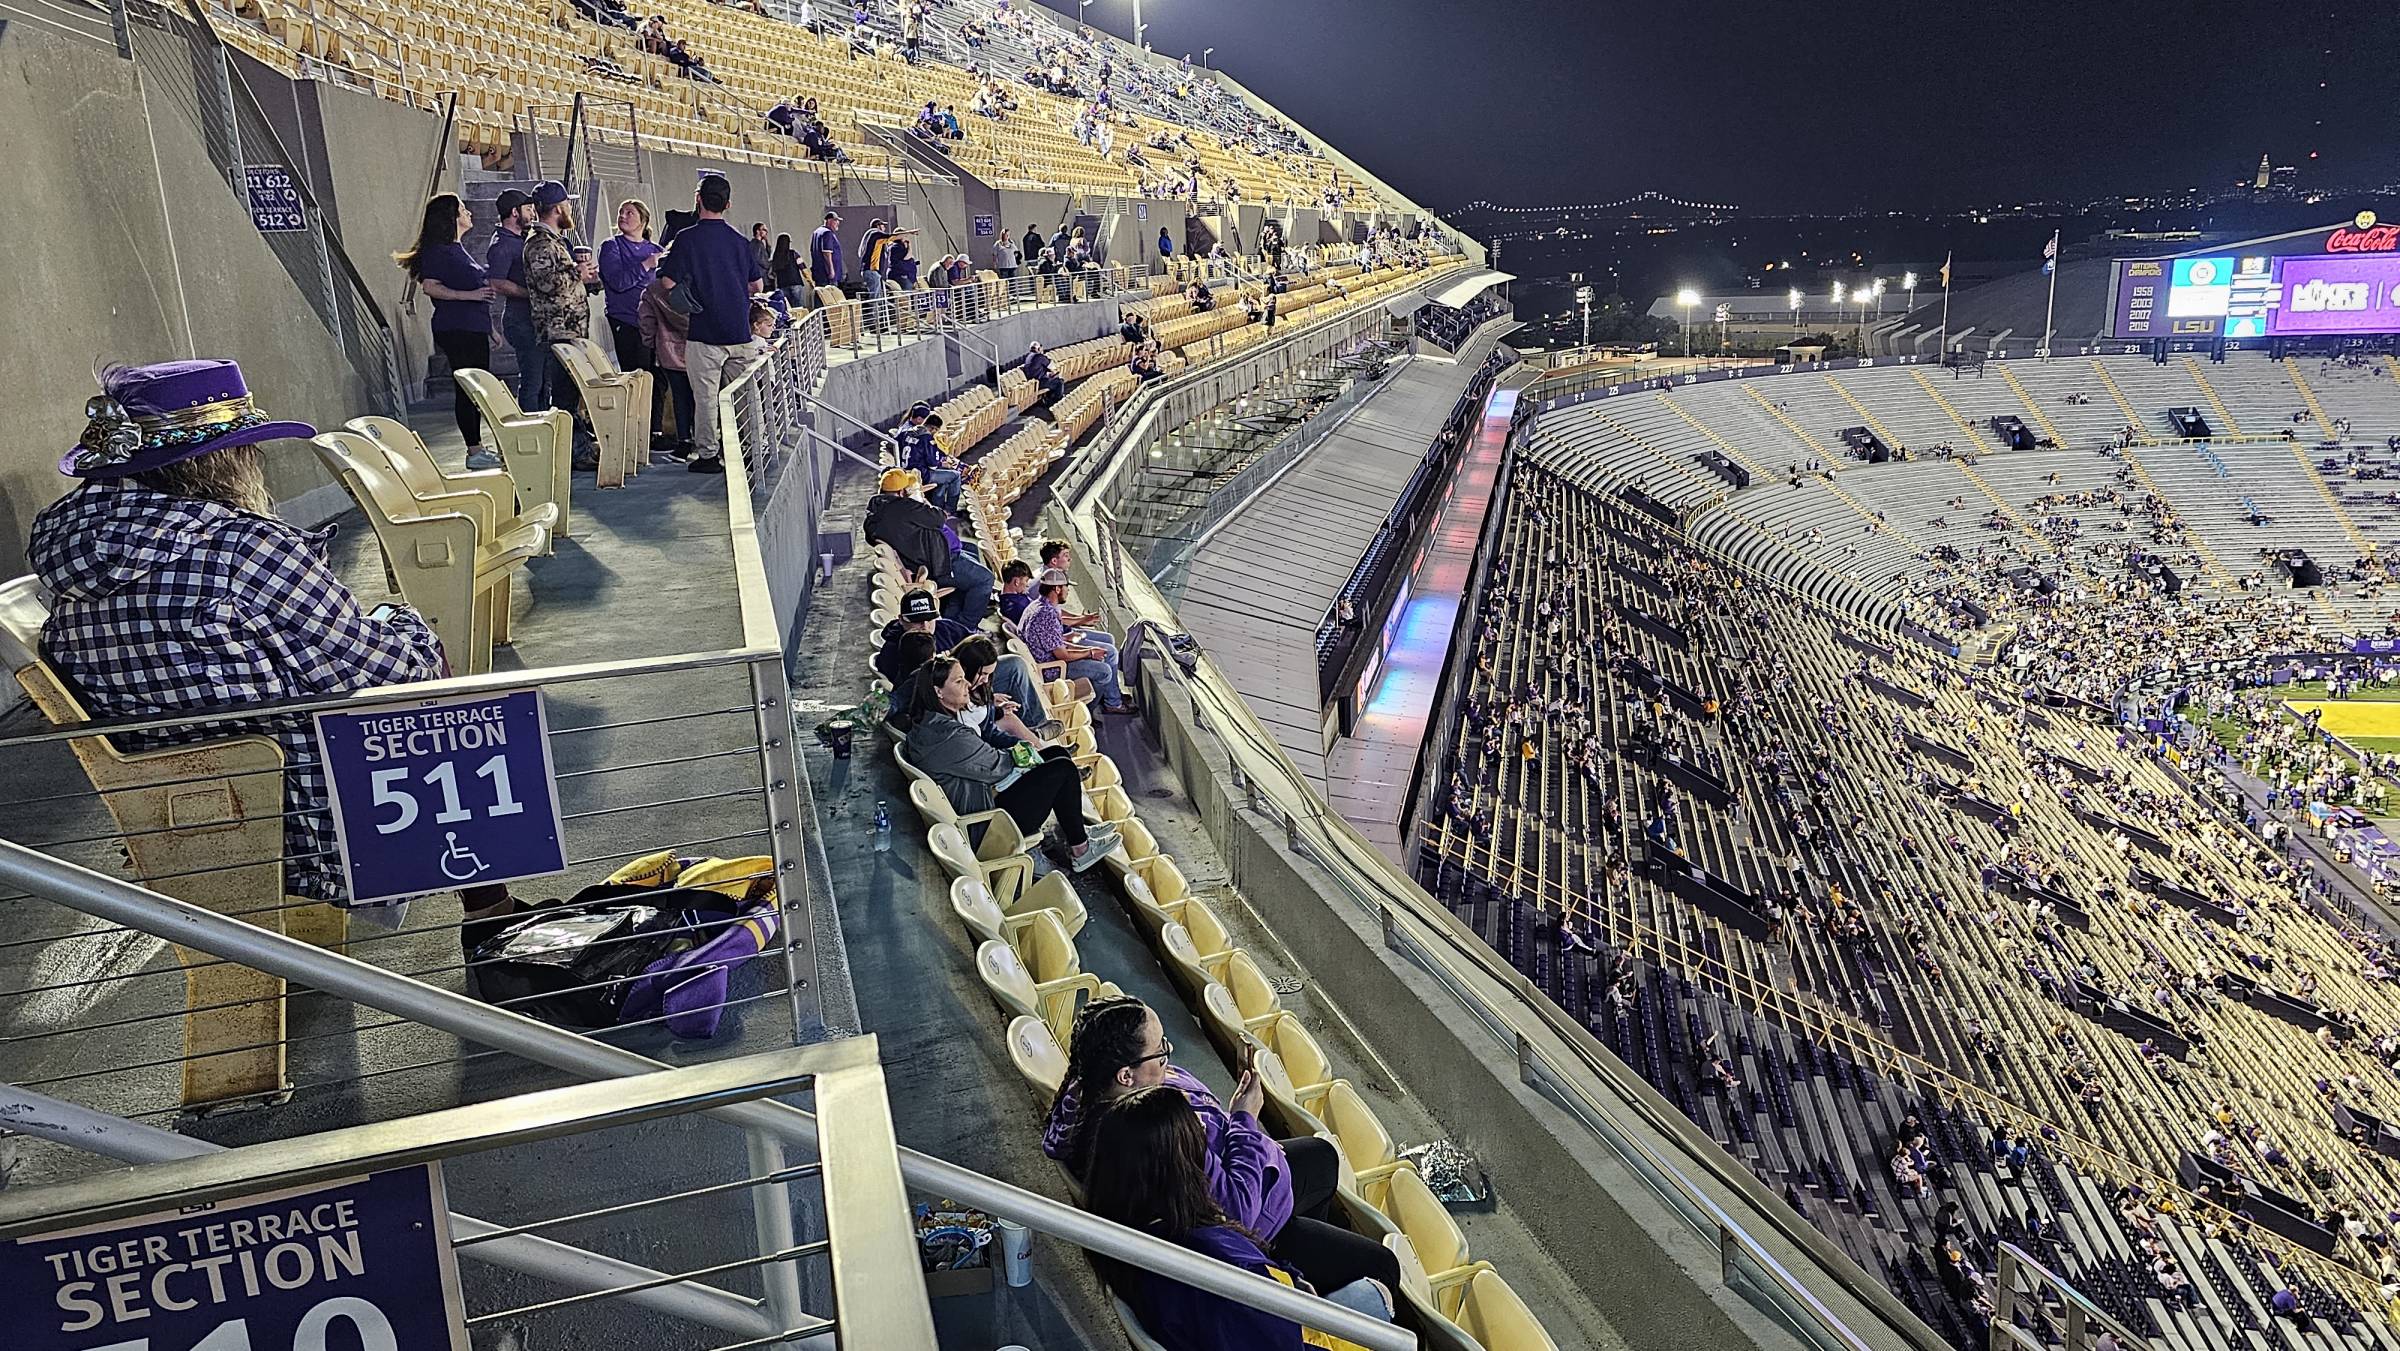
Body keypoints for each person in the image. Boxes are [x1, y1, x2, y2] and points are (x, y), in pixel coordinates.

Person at [30, 358, 447, 906]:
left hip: (173, 810)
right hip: (301, 816)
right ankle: (491, 912)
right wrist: (409, 627)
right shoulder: (244, 546)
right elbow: (379, 669)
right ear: (222, 460)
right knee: (442, 694)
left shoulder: (72, 551)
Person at [1061, 1009, 1399, 1346]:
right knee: (1380, 1277)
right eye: (1159, 1053)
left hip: (1250, 1285)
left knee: (1320, 1158)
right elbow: (1283, 1336)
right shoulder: (1217, 1254)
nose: (1168, 1057)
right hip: (1274, 1306)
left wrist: (1290, 1280)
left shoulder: (1116, 1142)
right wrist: (1243, 1121)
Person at [902, 656, 1120, 870]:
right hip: (989, 825)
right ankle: (1081, 850)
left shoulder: (931, 723)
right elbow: (998, 766)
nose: (968, 685)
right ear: (938, 691)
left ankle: (1075, 831)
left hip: (986, 799)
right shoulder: (948, 737)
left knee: (1054, 753)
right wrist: (1021, 752)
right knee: (1062, 769)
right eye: (958, 681)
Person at [657, 174, 763, 475]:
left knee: (705, 400)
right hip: (739, 332)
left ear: (698, 199)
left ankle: (708, 456)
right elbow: (756, 284)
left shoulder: (687, 239)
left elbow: (667, 281)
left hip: (703, 333)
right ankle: (754, 449)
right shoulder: (741, 242)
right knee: (745, 395)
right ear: (728, 204)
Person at [392, 192, 498, 468]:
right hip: (457, 328)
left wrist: (489, 328)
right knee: (468, 389)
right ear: (450, 218)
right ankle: (474, 451)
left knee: (477, 388)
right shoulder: (439, 251)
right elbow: (431, 287)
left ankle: (479, 446)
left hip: (473, 327)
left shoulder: (456, 248)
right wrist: (471, 296)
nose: (469, 213)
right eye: (463, 210)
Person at [522, 179, 602, 470]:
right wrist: (577, 274)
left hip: (570, 330)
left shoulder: (555, 242)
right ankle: (574, 453)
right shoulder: (540, 244)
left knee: (572, 394)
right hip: (557, 331)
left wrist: (586, 279)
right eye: (567, 204)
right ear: (558, 208)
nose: (569, 208)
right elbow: (546, 284)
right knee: (564, 396)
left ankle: (580, 446)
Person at [863, 468, 993, 624]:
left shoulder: (875, 513)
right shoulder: (905, 507)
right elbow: (939, 517)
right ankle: (966, 627)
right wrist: (915, 500)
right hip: (935, 564)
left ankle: (953, 621)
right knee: (985, 579)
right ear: (902, 492)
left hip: (921, 559)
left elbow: (872, 538)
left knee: (971, 551)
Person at [598, 198, 664, 444]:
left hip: (655, 323)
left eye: (629, 213)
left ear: (643, 220)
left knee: (658, 376)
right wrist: (645, 267)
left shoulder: (656, 249)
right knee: (636, 375)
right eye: (621, 212)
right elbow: (617, 282)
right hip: (626, 320)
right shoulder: (612, 246)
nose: (623, 216)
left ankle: (655, 429)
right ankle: (635, 430)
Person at [1021, 568, 1131, 712]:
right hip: (1052, 669)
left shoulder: (1038, 605)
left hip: (1047, 660)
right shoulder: (1046, 615)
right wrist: (1090, 653)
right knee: (1104, 671)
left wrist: (1087, 650)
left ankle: (1111, 698)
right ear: (1057, 589)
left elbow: (1058, 644)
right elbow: (1062, 655)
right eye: (1067, 587)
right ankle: (1088, 711)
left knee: (1106, 652)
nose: (1068, 591)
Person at [484, 188, 543, 413]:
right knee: (532, 381)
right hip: (520, 320)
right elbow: (497, 283)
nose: (532, 213)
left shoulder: (519, 239)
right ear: (514, 213)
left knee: (542, 380)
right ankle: (531, 425)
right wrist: (530, 293)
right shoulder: (502, 244)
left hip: (532, 318)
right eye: (528, 209)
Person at [637, 266, 695, 458]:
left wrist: (652, 344)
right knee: (703, 397)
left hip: (668, 351)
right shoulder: (694, 286)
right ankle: (706, 441)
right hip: (699, 348)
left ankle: (684, 442)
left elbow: (646, 320)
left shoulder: (651, 291)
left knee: (680, 397)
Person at [1022, 340, 1064, 417]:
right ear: (1038, 349)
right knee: (1059, 382)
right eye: (1041, 348)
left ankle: (1048, 400)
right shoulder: (1039, 356)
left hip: (1033, 384)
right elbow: (1052, 367)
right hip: (1040, 382)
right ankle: (1056, 403)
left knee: (1052, 381)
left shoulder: (1028, 357)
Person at [808, 210, 844, 296]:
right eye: (836, 220)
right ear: (829, 221)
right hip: (828, 275)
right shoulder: (827, 233)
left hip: (819, 273)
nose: (838, 223)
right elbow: (827, 253)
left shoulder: (816, 232)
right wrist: (831, 271)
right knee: (831, 299)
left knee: (821, 297)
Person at [770, 232, 807, 303]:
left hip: (782, 285)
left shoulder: (775, 257)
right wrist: (811, 281)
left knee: (788, 309)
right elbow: (803, 268)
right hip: (796, 284)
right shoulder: (793, 254)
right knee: (800, 309)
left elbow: (773, 273)